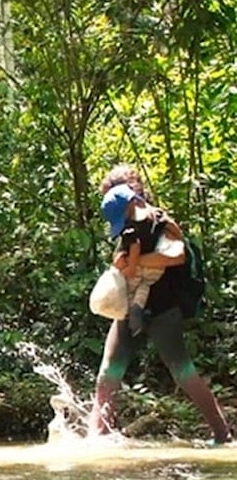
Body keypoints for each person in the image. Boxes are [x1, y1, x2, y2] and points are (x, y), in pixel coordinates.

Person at [89, 164, 231, 444]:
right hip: (130, 308)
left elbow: (175, 257)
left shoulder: (161, 222)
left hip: (165, 310)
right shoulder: (126, 226)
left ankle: (223, 435)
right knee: (108, 372)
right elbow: (122, 264)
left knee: (182, 370)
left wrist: (136, 262)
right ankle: (95, 437)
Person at [101, 183, 183, 335]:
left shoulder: (130, 229)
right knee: (144, 286)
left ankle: (134, 312)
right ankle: (137, 310)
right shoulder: (157, 217)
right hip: (156, 274)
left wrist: (131, 265)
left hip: (163, 297)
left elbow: (177, 256)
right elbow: (175, 233)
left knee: (132, 288)